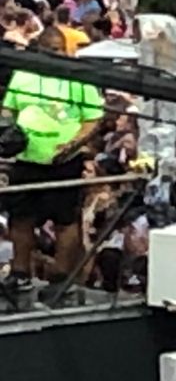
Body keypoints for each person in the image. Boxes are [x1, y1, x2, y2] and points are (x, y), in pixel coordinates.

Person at [0, 25, 104, 289]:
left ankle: (60, 275)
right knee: (20, 217)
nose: (52, 56)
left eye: (57, 51)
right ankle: (20, 272)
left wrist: (71, 145)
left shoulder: (80, 78)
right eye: (47, 51)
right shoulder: (24, 74)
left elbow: (93, 119)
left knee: (65, 220)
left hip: (65, 161)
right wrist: (8, 134)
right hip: (26, 158)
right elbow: (8, 110)